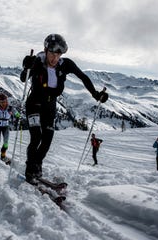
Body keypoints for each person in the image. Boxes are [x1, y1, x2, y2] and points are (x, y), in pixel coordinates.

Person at [20, 34, 108, 183]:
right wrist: (26, 66)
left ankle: (37, 165)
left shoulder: (65, 64)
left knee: (47, 139)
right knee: (36, 137)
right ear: (45, 50)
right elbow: (24, 78)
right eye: (52, 53)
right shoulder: (37, 61)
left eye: (58, 54)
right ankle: (30, 169)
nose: (55, 58)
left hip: (50, 105)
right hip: (34, 103)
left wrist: (95, 94)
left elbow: (83, 77)